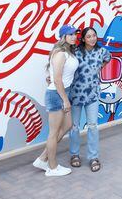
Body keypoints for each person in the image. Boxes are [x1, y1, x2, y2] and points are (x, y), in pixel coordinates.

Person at [33, 25, 78, 177]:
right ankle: (52, 168)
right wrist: (65, 99)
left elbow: (57, 76)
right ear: (63, 37)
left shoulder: (68, 52)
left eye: (75, 34)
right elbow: (58, 79)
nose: (73, 36)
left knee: (67, 125)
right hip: (58, 94)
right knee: (53, 133)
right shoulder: (60, 53)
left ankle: (43, 158)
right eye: (70, 34)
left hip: (62, 92)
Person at [68, 27, 111, 171]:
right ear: (83, 39)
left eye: (94, 36)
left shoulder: (102, 51)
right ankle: (74, 154)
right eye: (89, 36)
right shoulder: (75, 52)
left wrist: (98, 68)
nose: (92, 39)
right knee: (74, 127)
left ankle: (93, 157)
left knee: (92, 126)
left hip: (92, 95)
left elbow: (107, 59)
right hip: (76, 94)